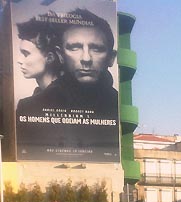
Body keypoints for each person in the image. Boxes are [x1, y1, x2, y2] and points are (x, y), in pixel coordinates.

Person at [15, 8, 119, 160]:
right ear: (60, 55)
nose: (86, 58)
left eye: (97, 49)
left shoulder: (117, 106)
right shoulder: (29, 107)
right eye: (74, 48)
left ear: (111, 58)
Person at [14, 16, 62, 111]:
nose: (19, 60)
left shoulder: (27, 105)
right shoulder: (39, 94)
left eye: (26, 54)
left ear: (50, 58)